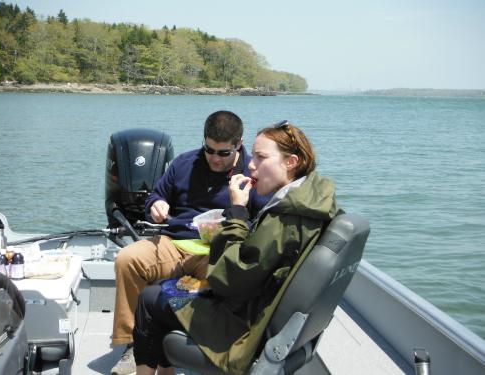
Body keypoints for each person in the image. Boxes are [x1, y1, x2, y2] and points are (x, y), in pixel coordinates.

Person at [132, 121, 341, 375]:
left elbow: (227, 281)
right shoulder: (311, 202)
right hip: (265, 311)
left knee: (149, 299)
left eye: (262, 157)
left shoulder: (283, 218)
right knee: (164, 290)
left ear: (291, 162)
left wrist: (237, 212)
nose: (252, 164)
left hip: (245, 328)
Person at [110, 110, 269, 375]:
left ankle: (203, 345)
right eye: (209, 150)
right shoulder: (184, 163)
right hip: (176, 242)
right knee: (128, 259)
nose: (215, 158)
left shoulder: (251, 175)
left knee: (229, 281)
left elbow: (262, 221)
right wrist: (156, 205)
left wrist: (235, 223)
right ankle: (131, 344)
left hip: (219, 251)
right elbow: (157, 196)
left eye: (223, 153)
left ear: (238, 144)